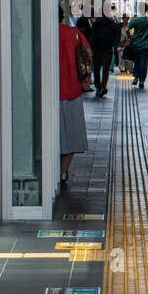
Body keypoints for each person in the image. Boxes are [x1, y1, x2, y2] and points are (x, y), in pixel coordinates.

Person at [58, 12, 92, 184]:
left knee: (53, 136)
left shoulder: (39, 32)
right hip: (73, 91)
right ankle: (62, 172)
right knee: (72, 136)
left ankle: (50, 171)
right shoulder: (75, 33)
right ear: (62, 17)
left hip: (47, 93)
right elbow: (88, 55)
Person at [87, 14, 121, 98]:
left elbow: (92, 37)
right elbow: (92, 37)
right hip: (101, 50)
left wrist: (115, 47)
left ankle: (101, 87)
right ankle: (100, 87)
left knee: (101, 70)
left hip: (103, 50)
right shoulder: (98, 24)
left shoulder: (109, 24)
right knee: (101, 70)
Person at [122, 12, 148, 89]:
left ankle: (136, 77)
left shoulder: (134, 20)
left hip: (135, 45)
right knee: (144, 62)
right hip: (145, 45)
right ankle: (142, 81)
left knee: (136, 61)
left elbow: (127, 29)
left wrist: (130, 37)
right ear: (146, 11)